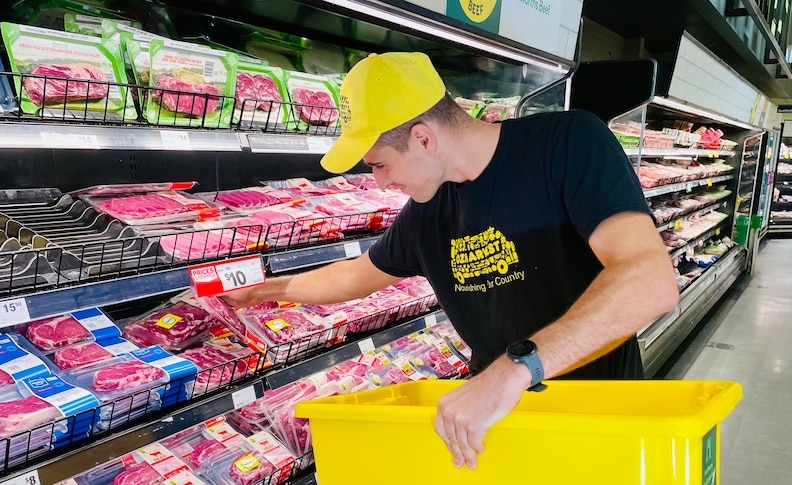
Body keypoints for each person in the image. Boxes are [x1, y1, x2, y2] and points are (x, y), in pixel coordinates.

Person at [221, 52, 679, 470]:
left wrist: (514, 370)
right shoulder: (426, 212)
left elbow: (650, 281)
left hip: (596, 422)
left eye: (379, 164)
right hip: (487, 430)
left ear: (423, 138)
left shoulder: (568, 143)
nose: (379, 184)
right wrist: (260, 289)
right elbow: (353, 277)